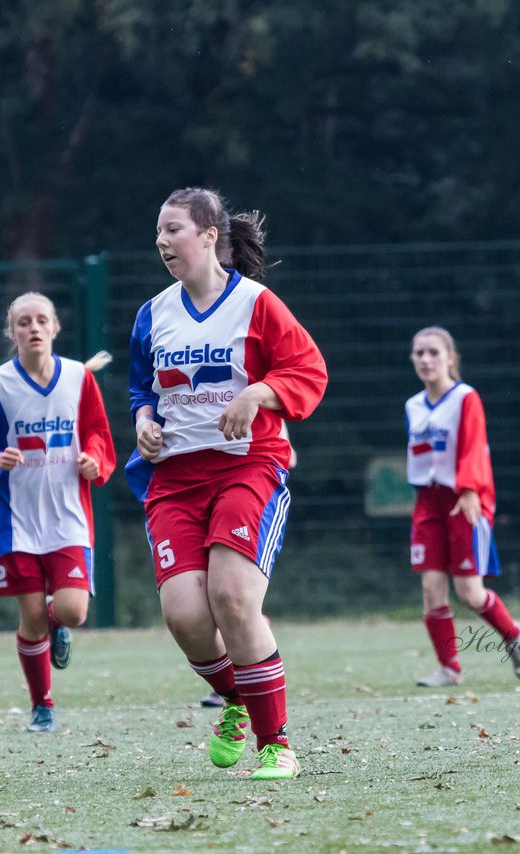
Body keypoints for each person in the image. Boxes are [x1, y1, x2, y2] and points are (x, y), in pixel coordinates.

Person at [126, 187, 328, 781]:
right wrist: (143, 423)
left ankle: (276, 743)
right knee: (186, 616)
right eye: (158, 232)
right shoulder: (153, 313)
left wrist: (259, 392)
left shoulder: (257, 304)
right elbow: (145, 390)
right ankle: (239, 698)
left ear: (210, 235)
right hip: (176, 481)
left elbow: (308, 371)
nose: (162, 241)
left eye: (173, 230)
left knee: (233, 600)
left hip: (248, 467)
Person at [0, 292, 116, 733]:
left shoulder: (79, 379)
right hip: (16, 525)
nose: (34, 328)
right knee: (31, 618)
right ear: (11, 332)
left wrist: (95, 459)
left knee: (73, 611)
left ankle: (58, 627)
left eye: (42, 320)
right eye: (24, 322)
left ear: (55, 327)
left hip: (68, 520)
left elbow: (98, 433)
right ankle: (42, 706)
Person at [406, 327, 520, 688]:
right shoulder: (412, 405)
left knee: (469, 593)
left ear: (450, 357)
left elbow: (474, 447)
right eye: (418, 353)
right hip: (428, 502)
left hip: (465, 499)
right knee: (431, 588)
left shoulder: (465, 398)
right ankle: (450, 669)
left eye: (433, 352)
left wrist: (469, 489)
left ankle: (513, 635)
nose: (425, 360)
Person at [200, 426, 295, 709]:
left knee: (235, 602)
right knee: (204, 606)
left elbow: (289, 455)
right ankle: (233, 688)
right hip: (195, 493)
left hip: (250, 496)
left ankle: (237, 692)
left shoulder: (257, 399)